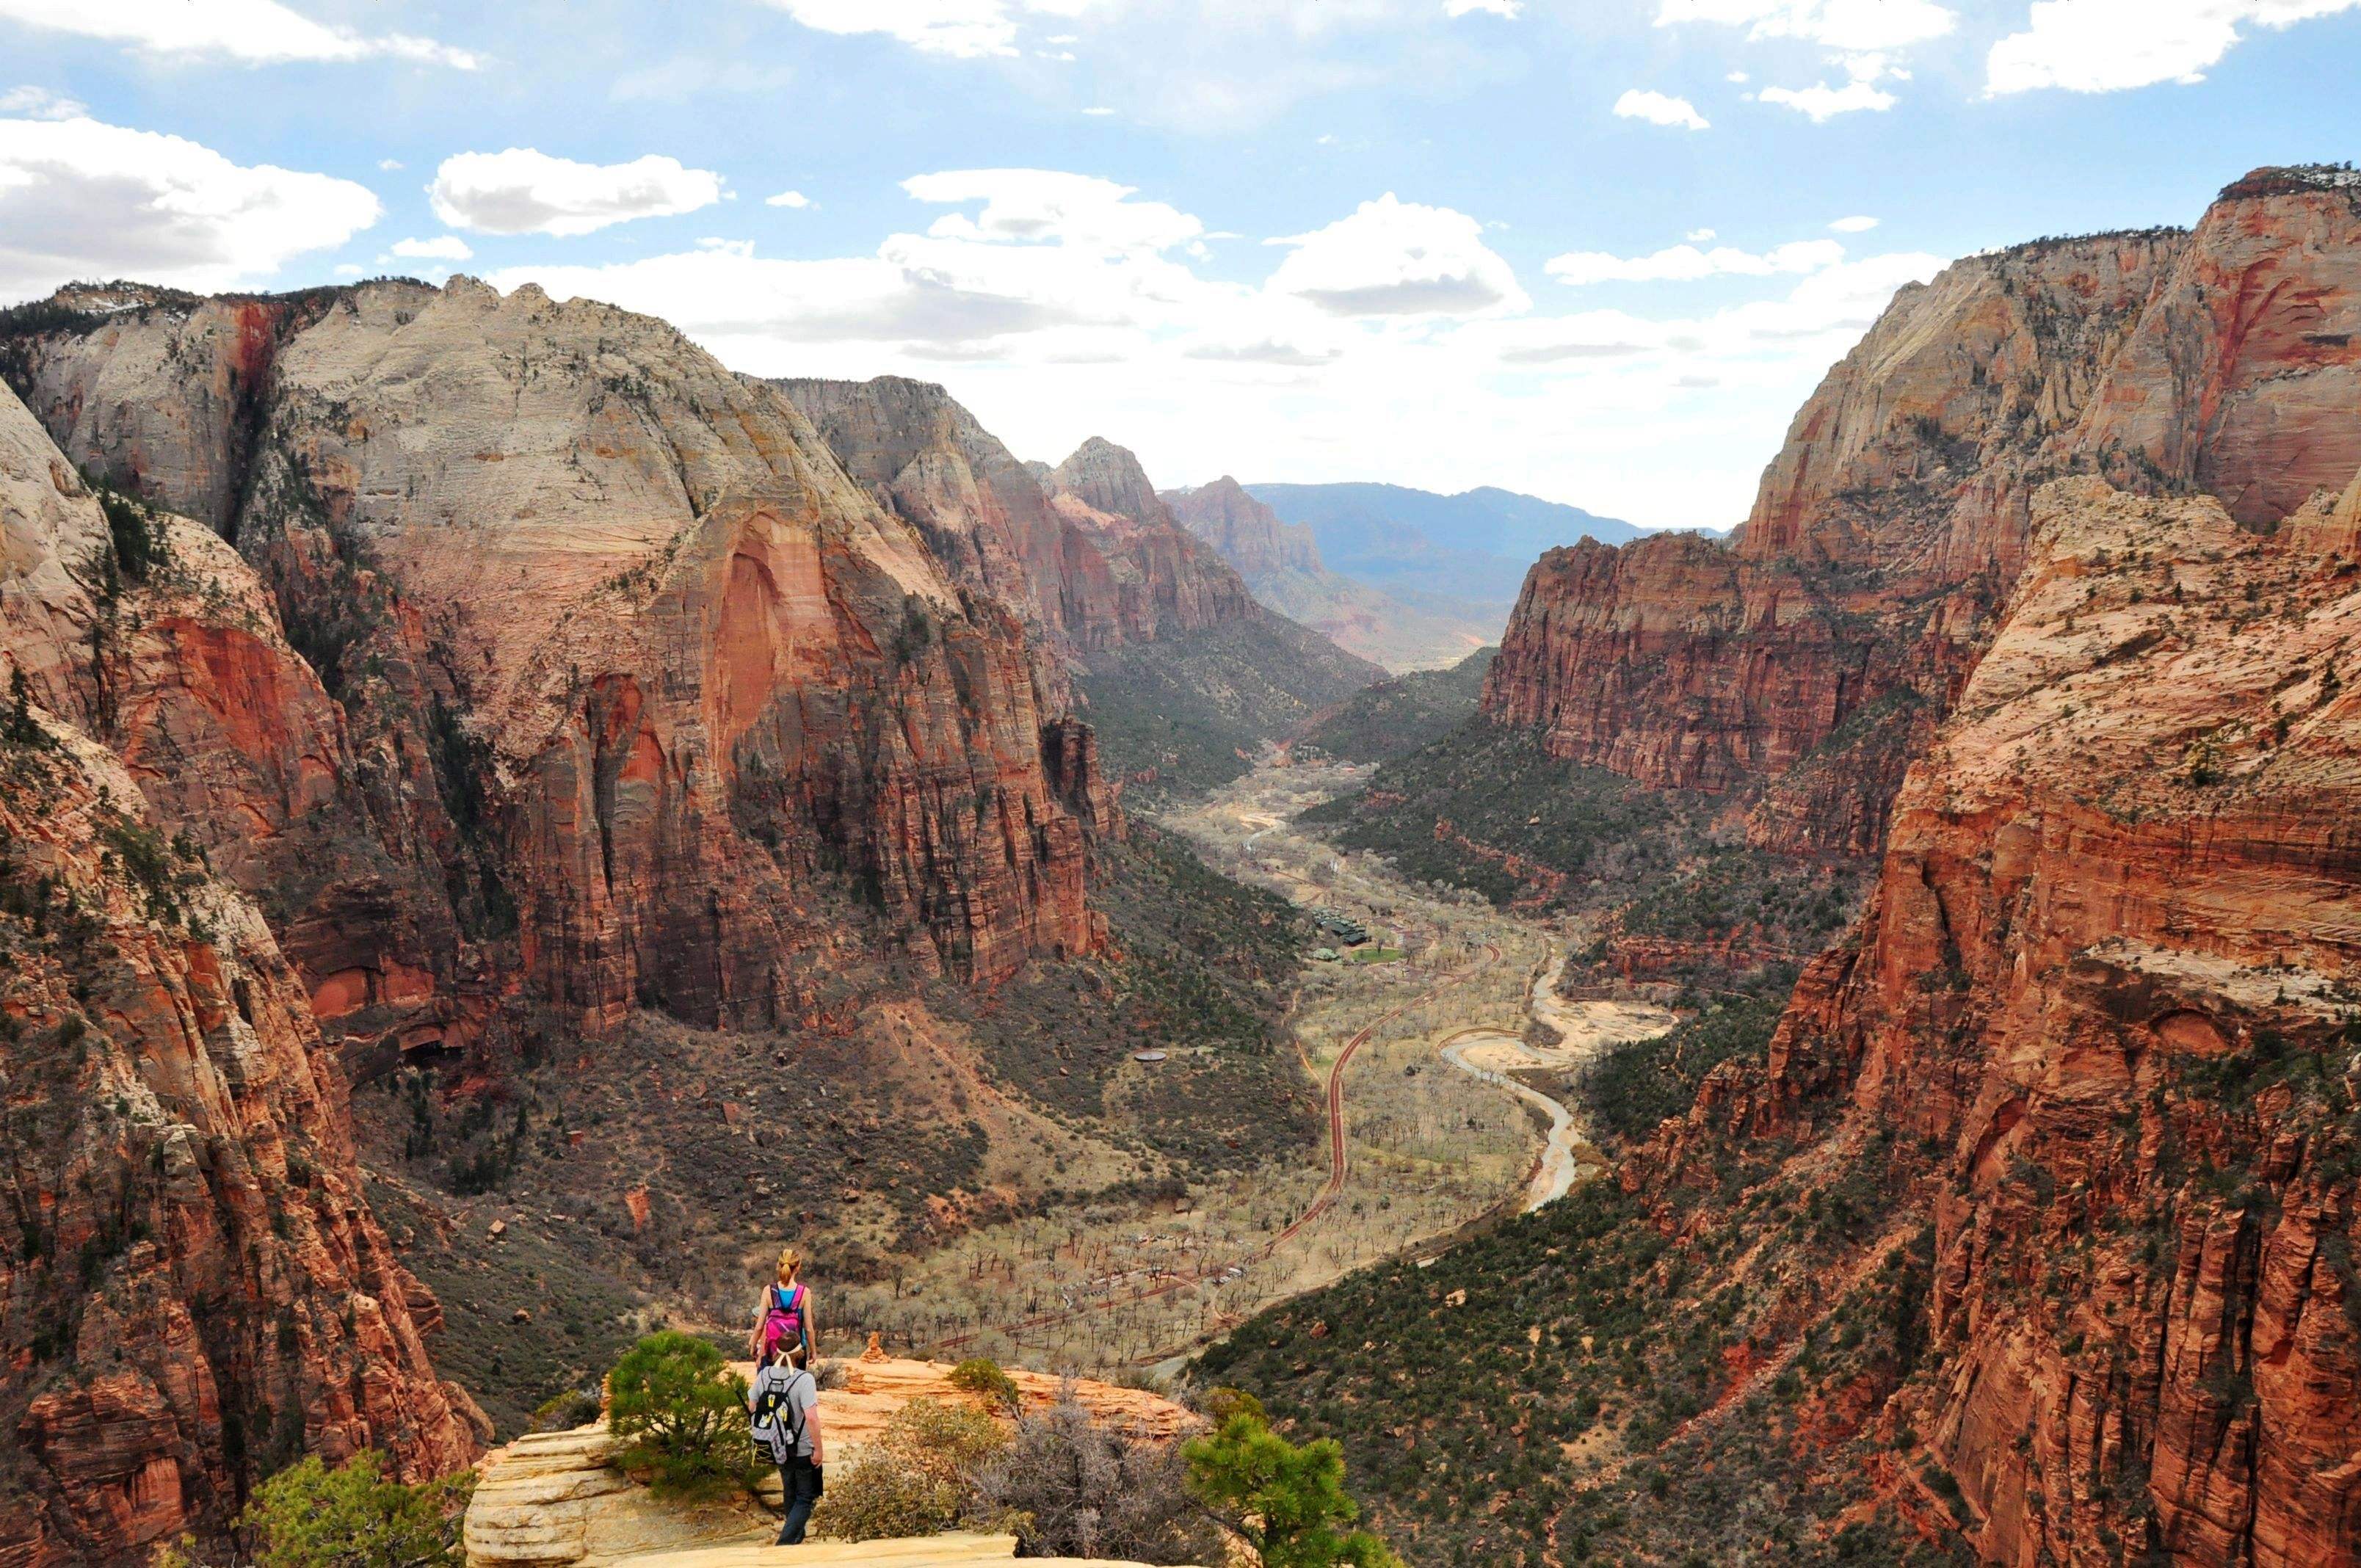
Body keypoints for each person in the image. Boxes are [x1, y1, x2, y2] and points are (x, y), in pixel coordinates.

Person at [749, 1340, 824, 1545]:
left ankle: (795, 1541)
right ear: (799, 1353)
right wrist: (818, 1449)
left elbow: (752, 1405)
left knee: (790, 1493)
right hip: (802, 1449)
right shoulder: (804, 1379)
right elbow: (811, 1417)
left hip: (777, 1446)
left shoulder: (765, 1374)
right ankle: (785, 1543)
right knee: (806, 1498)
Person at [750, 1247, 816, 1369]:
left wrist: (754, 1345)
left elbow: (760, 1326)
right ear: (798, 1267)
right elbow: (808, 1328)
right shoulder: (804, 1293)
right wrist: (813, 1351)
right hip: (797, 1352)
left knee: (771, 1384)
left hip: (773, 1351)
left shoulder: (769, 1291)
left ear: (779, 1265)